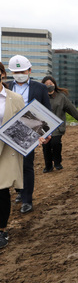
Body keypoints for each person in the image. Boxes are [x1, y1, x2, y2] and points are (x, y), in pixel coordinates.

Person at [7, 55, 51, 214]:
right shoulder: (6, 86)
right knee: (11, 164)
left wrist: (47, 132)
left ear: (30, 70)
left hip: (29, 129)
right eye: (16, 71)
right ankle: (19, 191)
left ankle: (27, 200)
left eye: (22, 70)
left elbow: (47, 111)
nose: (19, 74)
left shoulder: (40, 88)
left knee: (26, 164)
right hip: (8, 128)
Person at [0, 62, 25, 249]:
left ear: (2, 74)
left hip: (6, 150)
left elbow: (26, 125)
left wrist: (39, 137)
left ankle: (1, 230)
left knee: (1, 191)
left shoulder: (14, 98)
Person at [40, 76, 78, 172]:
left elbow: (72, 109)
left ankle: (57, 162)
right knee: (46, 146)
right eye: (46, 84)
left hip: (58, 127)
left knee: (55, 143)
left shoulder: (61, 97)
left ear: (54, 85)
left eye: (51, 84)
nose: (49, 86)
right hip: (44, 127)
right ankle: (48, 166)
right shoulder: (40, 97)